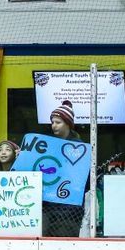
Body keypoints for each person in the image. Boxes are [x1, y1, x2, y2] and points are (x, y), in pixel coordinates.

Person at [43, 100, 85, 237]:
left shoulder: (79, 148)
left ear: (68, 124)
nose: (53, 126)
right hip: (47, 206)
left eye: (58, 122)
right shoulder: (46, 145)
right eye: (52, 122)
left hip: (68, 210)